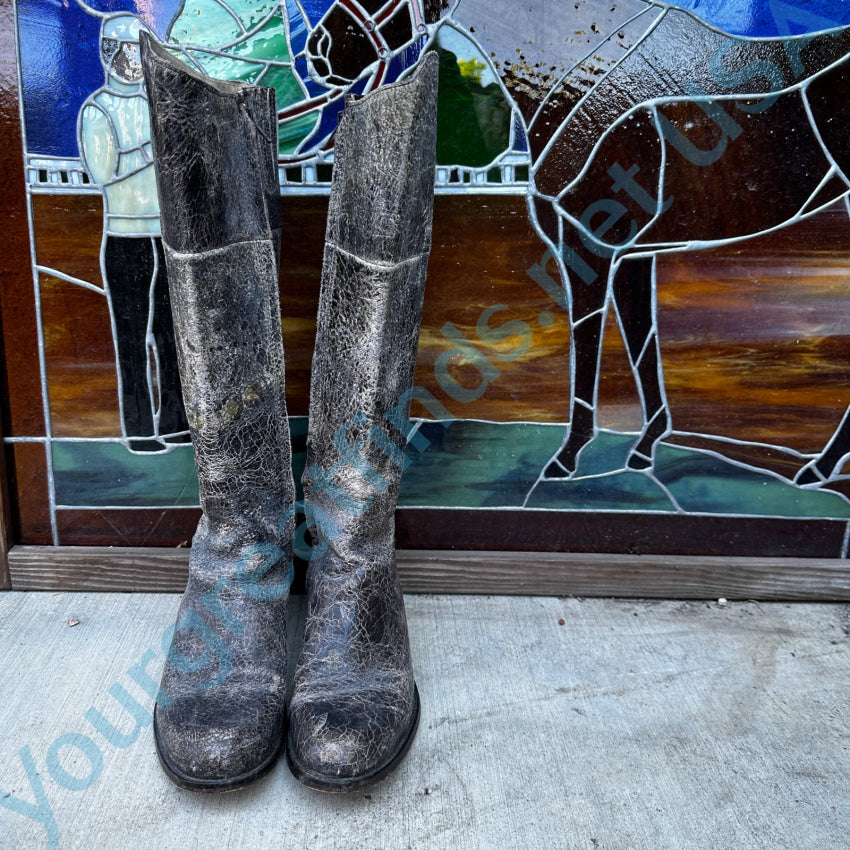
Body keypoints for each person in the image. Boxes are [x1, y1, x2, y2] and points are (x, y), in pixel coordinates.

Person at [78, 14, 188, 452]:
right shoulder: (98, 109)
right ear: (107, 53)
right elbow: (103, 172)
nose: (131, 62)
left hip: (167, 236)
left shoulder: (157, 103)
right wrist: (151, 149)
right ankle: (141, 430)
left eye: (137, 51)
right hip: (125, 239)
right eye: (122, 51)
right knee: (131, 339)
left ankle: (177, 422)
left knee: (172, 335)